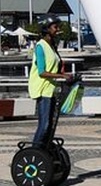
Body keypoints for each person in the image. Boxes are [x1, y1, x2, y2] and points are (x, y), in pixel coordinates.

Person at [28, 14, 71, 147]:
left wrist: (65, 75)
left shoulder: (52, 45)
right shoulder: (41, 46)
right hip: (42, 89)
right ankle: (35, 151)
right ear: (46, 28)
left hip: (50, 89)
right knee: (45, 124)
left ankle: (44, 149)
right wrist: (62, 76)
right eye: (55, 26)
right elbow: (42, 72)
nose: (57, 29)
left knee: (50, 124)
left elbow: (55, 68)